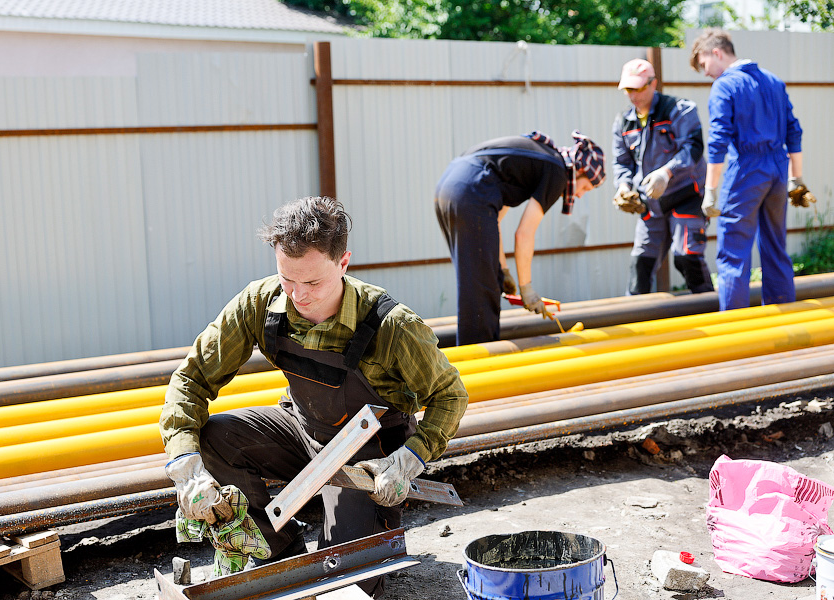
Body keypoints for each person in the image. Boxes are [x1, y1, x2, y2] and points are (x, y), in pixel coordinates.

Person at [159, 196, 468, 597]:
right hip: (302, 432)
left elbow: (450, 396)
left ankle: (358, 533)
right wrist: (186, 467)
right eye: (287, 279)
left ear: (343, 263)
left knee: (341, 585)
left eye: (312, 283)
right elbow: (191, 379)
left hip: (366, 459)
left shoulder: (392, 326)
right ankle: (277, 551)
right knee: (213, 437)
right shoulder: (261, 303)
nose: (298, 296)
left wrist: (407, 461)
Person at [434, 130, 606, 345]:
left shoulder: (540, 158)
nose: (580, 194)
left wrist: (504, 270)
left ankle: (475, 354)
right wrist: (527, 290)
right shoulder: (558, 171)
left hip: (450, 186)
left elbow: (495, 220)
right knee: (481, 295)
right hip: (471, 191)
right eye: (586, 187)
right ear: (579, 170)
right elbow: (524, 233)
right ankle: (480, 361)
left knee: (484, 282)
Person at [690, 29, 815, 311]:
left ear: (716, 53)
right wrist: (796, 178)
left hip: (746, 170)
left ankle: (734, 329)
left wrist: (710, 191)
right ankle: (785, 322)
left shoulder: (725, 86)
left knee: (734, 252)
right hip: (778, 170)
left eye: (704, 64)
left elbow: (718, 141)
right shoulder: (774, 81)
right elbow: (794, 131)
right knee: (776, 247)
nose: (706, 73)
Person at [612, 58, 714, 296]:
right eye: (628, 89)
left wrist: (666, 172)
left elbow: (693, 147)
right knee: (641, 265)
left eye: (638, 88)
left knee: (687, 257)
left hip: (686, 195)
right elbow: (622, 162)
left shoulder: (679, 110)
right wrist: (624, 187)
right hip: (651, 203)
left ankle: (710, 310)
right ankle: (637, 316)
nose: (633, 95)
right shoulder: (624, 122)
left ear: (653, 83)